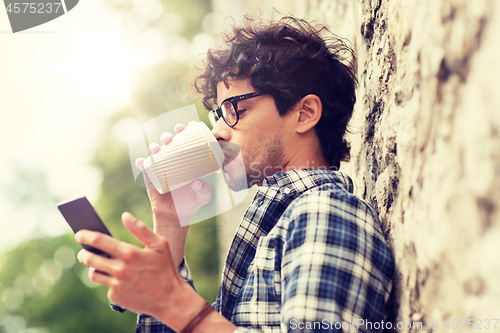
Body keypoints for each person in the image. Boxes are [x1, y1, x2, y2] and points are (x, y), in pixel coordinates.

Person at [75, 16, 395, 333]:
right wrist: (171, 223)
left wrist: (173, 301)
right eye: (217, 115)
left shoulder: (326, 213)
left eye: (234, 109)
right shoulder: (275, 226)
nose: (217, 132)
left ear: (305, 113)